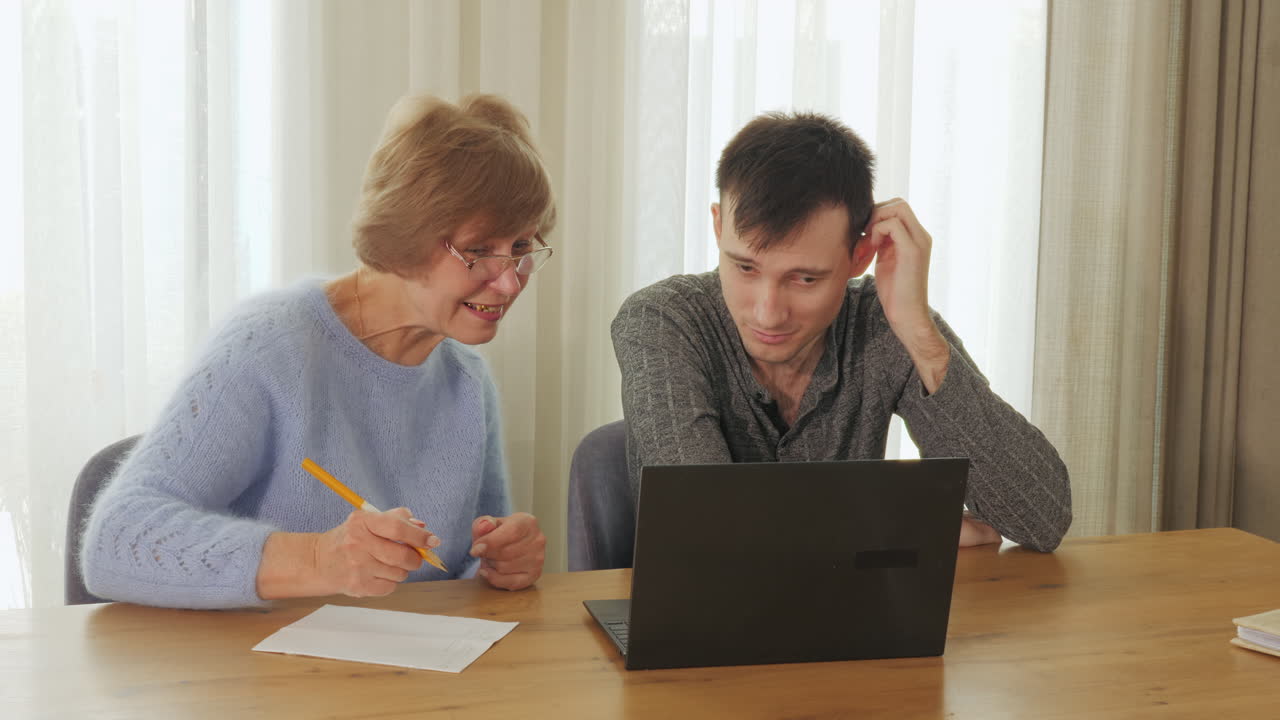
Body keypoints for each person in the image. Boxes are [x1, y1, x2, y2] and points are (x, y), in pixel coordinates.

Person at [82, 93, 553, 608]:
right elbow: (116, 541)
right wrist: (318, 560)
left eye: (523, 248)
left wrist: (502, 563)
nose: (510, 283)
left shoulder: (466, 380)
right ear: (407, 236)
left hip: (401, 675)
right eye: (480, 249)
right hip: (263, 674)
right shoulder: (269, 346)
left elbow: (463, 566)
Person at [611, 111, 1071, 552]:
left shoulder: (886, 324)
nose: (769, 314)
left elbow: (1040, 518)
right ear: (718, 225)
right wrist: (905, 519)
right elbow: (702, 530)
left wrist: (919, 335)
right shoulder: (660, 321)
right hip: (700, 625)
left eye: (805, 279)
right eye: (745, 267)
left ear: (860, 256)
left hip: (858, 619)